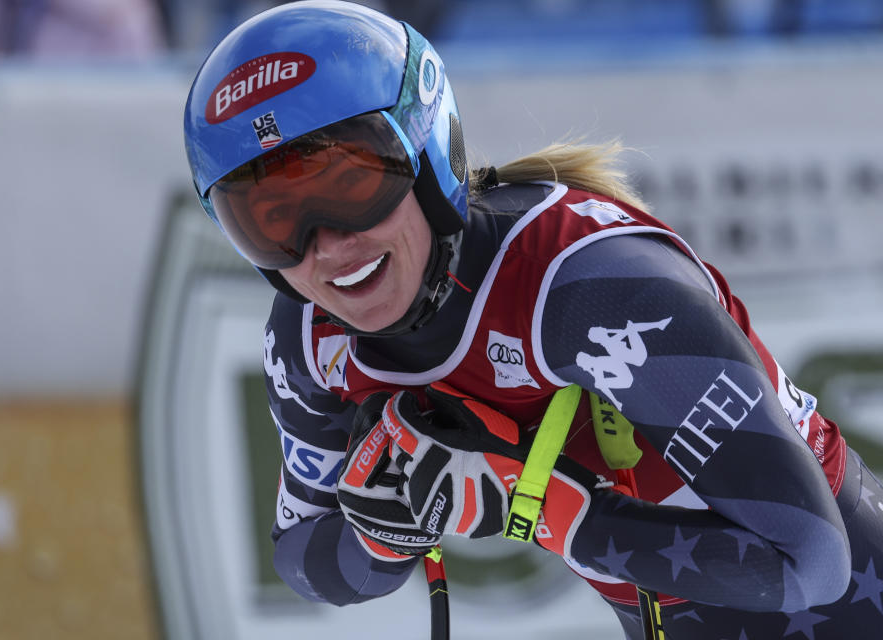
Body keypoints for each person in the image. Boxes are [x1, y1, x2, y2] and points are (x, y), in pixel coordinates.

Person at [182, 2, 883, 637]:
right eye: (273, 220)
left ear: (430, 157)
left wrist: (535, 503)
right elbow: (302, 558)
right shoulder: (310, 338)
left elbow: (809, 564)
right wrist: (379, 536)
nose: (328, 247)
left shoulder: (590, 287)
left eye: (352, 186)